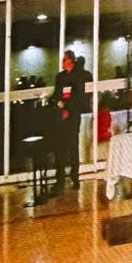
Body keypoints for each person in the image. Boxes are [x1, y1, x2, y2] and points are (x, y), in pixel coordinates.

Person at [50, 50, 88, 192]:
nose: (62, 62)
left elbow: (78, 97)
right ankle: (60, 178)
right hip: (60, 118)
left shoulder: (78, 77)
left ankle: (74, 177)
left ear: (70, 61)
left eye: (64, 60)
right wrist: (58, 104)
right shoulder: (60, 77)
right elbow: (56, 94)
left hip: (73, 117)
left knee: (73, 147)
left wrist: (68, 108)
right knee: (60, 147)